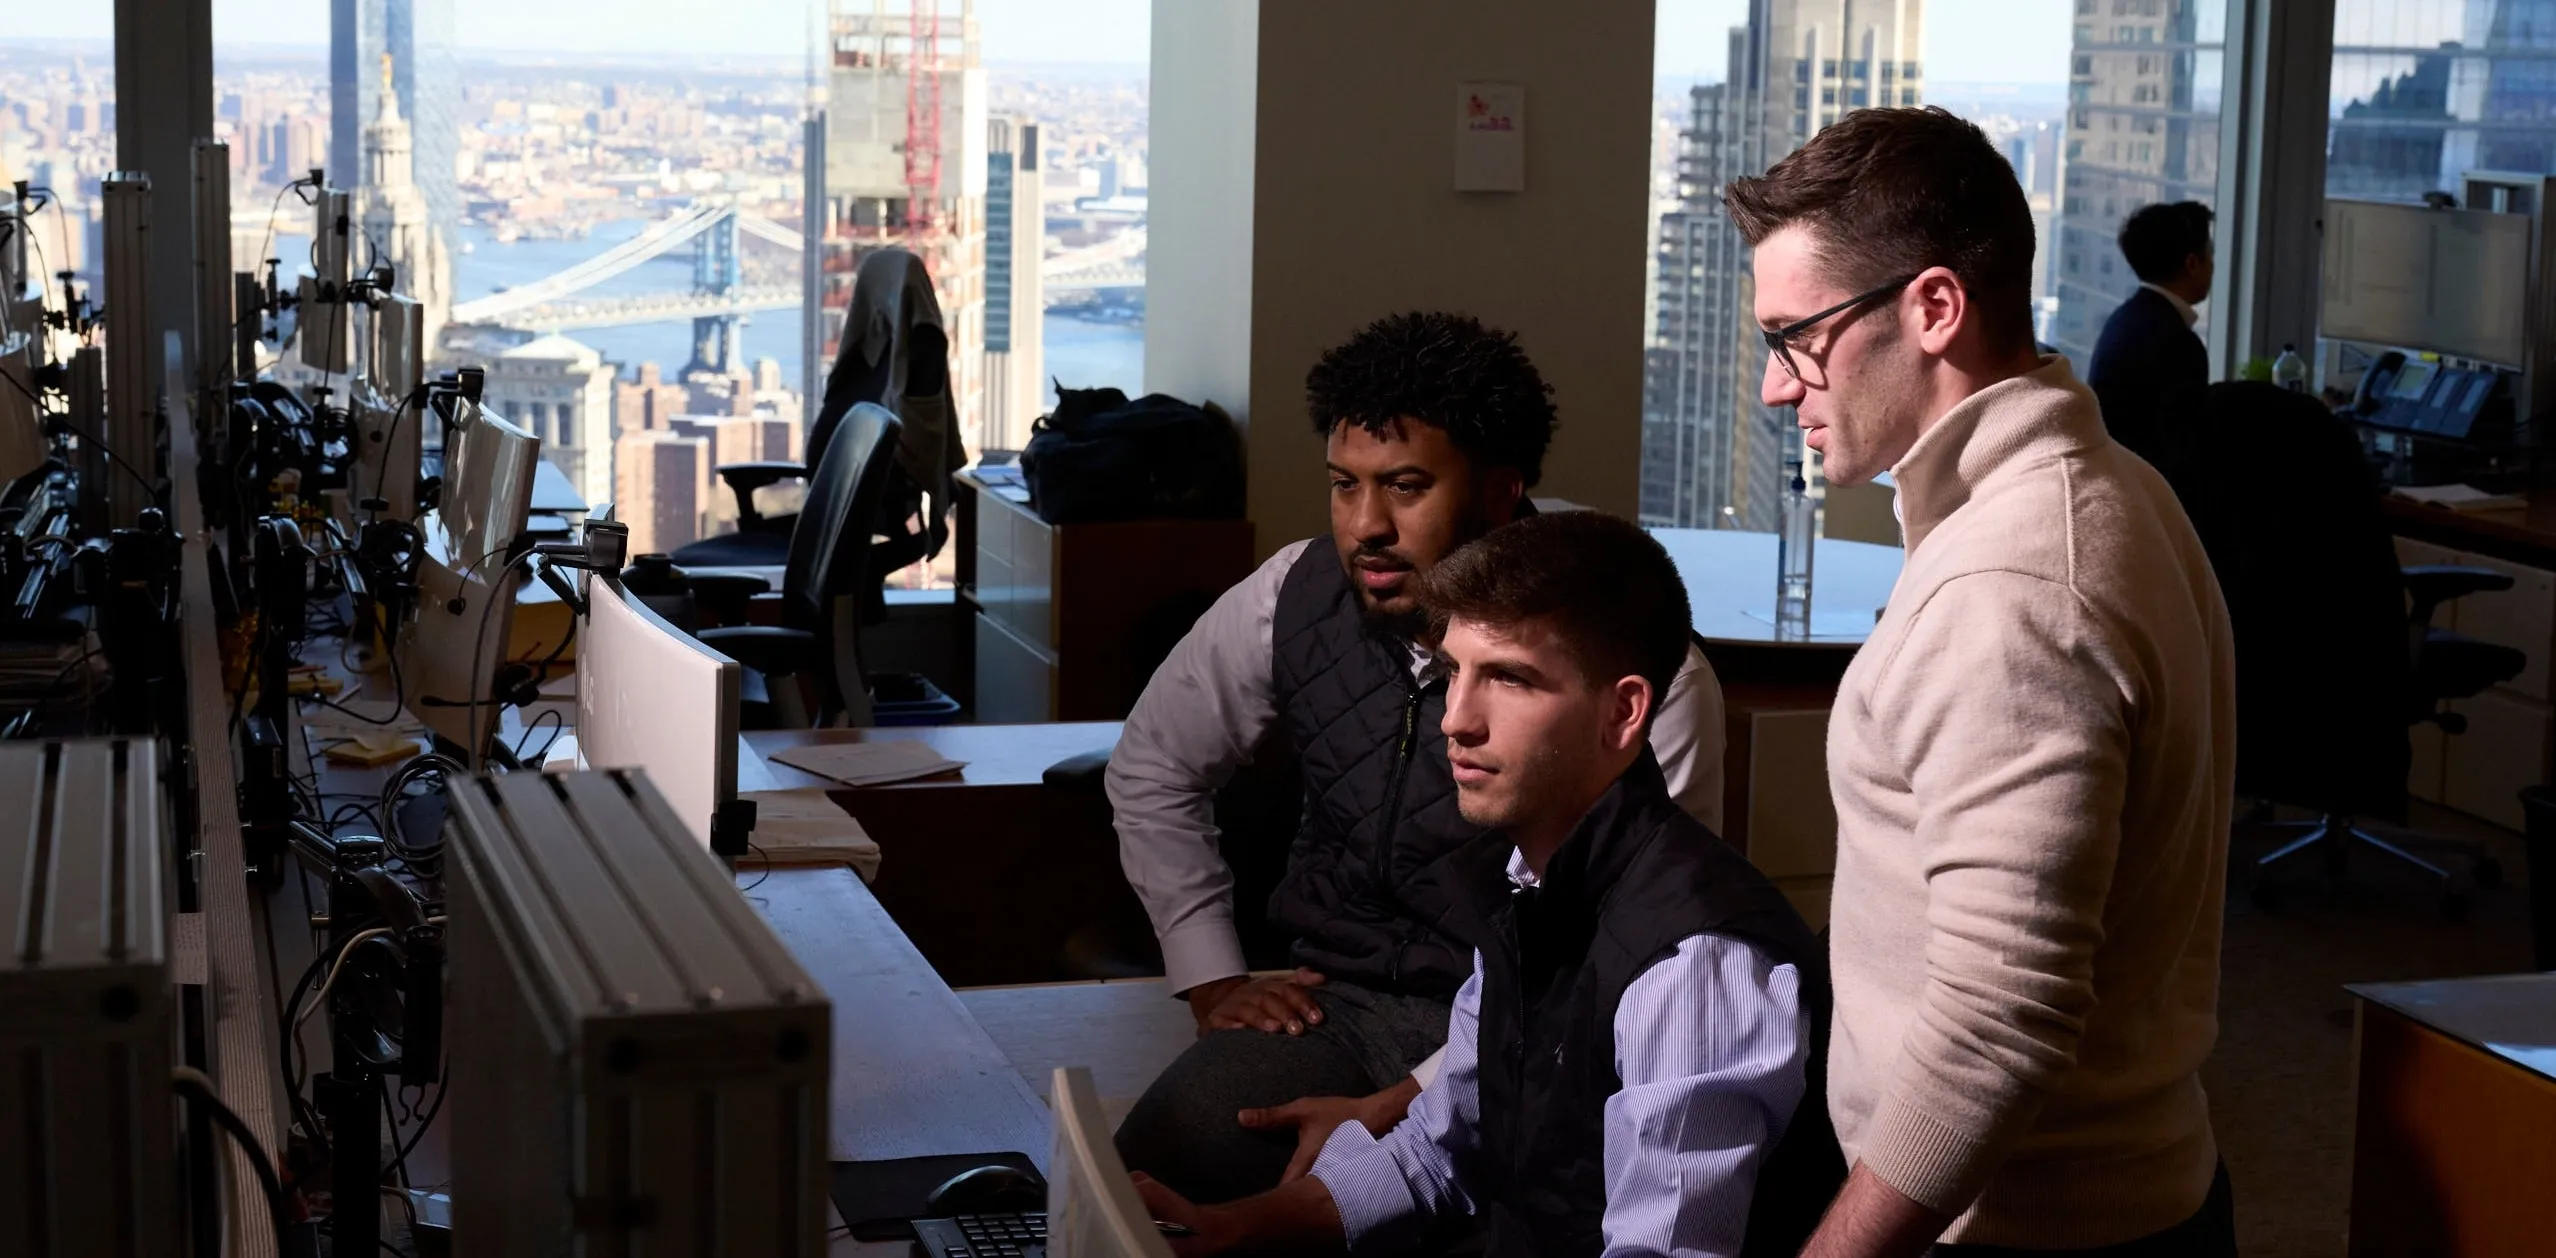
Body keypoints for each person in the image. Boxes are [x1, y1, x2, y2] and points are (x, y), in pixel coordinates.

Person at [1723, 107, 2238, 1256]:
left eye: (1795, 336)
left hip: (2031, 1227)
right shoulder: (2106, 490)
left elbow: (1997, 1025)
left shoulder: (2014, 584)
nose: (1776, 386)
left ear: (1935, 308)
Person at [1108, 312, 1729, 1206]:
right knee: (1148, 1176)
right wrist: (1209, 973)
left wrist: (1407, 1104)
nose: (1365, 526)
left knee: (1380, 1213)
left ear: (1502, 492)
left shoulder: (1636, 671)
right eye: (1343, 485)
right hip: (1337, 1004)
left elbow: (1635, 948)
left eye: (1405, 487)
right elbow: (1151, 765)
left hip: (1531, 1036)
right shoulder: (1296, 591)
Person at [1134, 510, 1827, 1258]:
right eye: (1455, 671)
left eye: (1509, 679)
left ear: (1623, 713)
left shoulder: (1693, 967)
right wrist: (1235, 1226)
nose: (1456, 722)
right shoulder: (1528, 882)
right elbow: (1439, 1147)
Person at [2084, 201, 2214, 467]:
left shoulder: (2123, 321)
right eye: (2210, 255)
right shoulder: (2178, 345)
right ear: (2192, 264)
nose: (2213, 266)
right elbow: (2184, 458)